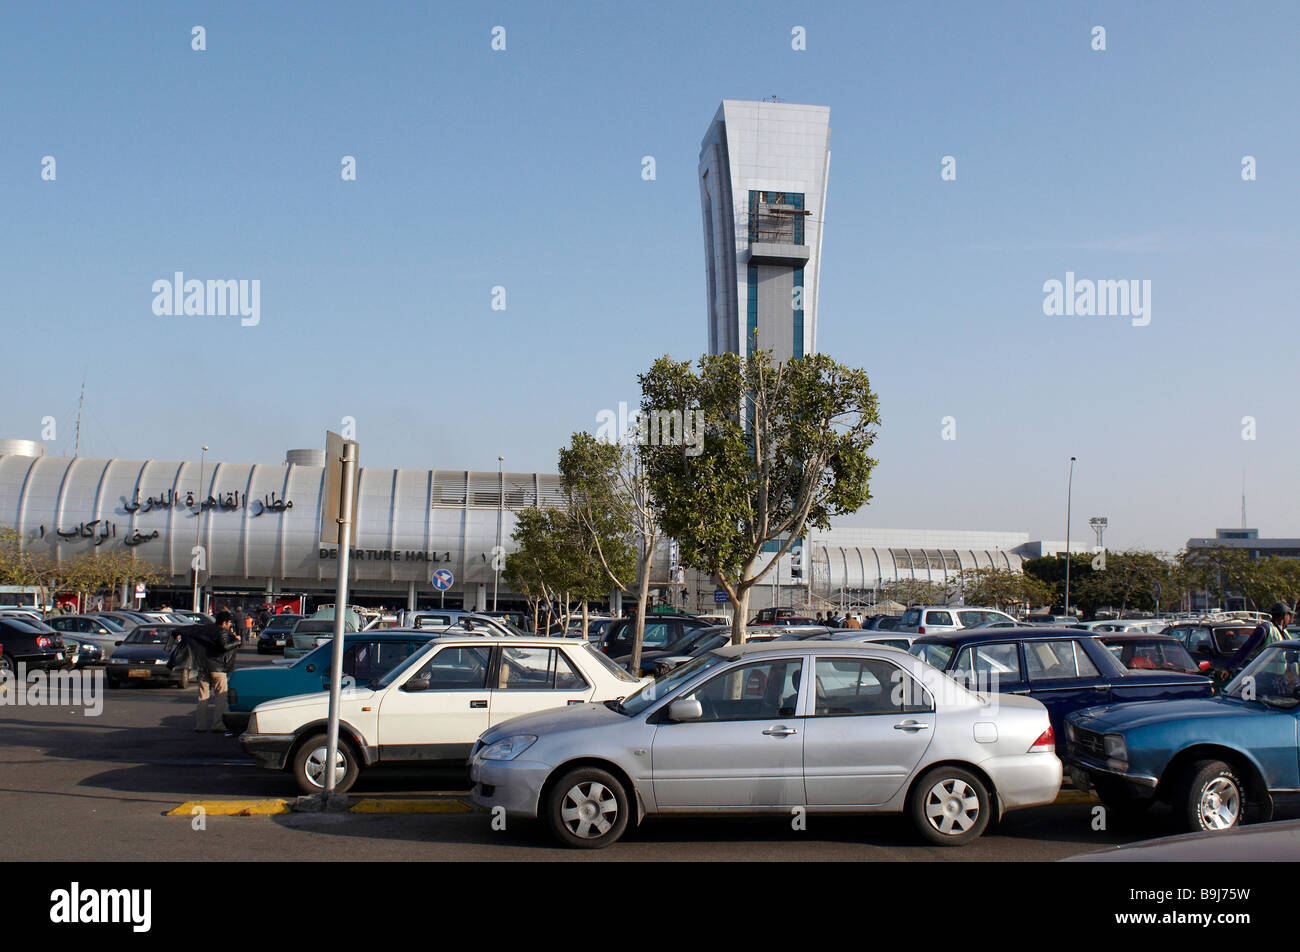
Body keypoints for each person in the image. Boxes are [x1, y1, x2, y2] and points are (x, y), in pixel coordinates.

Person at [1226, 602, 1294, 676]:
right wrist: (1230, 668)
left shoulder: (1283, 632)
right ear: (1284, 616)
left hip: (1280, 676)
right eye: (1289, 615)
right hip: (1263, 675)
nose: (1290, 618)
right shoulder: (1265, 629)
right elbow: (1246, 649)